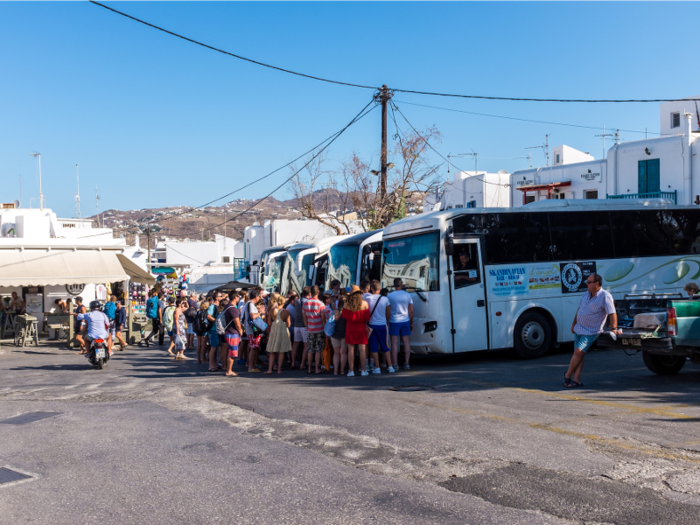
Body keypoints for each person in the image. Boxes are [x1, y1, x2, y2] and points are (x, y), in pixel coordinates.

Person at [565, 273, 620, 388]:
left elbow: (612, 313)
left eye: (589, 282)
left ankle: (568, 374)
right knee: (580, 355)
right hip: (579, 328)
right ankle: (577, 380)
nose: (586, 283)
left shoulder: (605, 296)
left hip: (591, 331)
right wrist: (574, 323)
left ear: (597, 284)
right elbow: (580, 309)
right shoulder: (586, 294)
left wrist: (614, 328)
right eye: (587, 281)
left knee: (578, 352)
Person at [342, 285, 371, 376]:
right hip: (361, 328)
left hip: (350, 328)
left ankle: (351, 371)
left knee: (351, 350)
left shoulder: (346, 303)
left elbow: (344, 316)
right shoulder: (364, 303)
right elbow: (367, 317)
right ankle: (363, 370)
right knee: (362, 350)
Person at [366, 280, 394, 374]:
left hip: (371, 325)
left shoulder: (368, 299)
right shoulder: (385, 299)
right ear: (380, 289)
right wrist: (385, 320)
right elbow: (388, 313)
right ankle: (390, 366)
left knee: (373, 347)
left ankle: (377, 368)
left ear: (371, 289)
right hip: (382, 325)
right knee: (385, 345)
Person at [387, 278, 413, 371]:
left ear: (394, 285)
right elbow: (411, 311)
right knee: (406, 342)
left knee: (394, 343)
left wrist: (387, 321)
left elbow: (388, 311)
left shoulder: (389, 296)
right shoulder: (407, 295)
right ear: (401, 285)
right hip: (405, 321)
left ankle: (395, 364)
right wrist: (411, 322)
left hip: (394, 321)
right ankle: (407, 363)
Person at [302, 285, 327, 374]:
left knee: (310, 349)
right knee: (318, 350)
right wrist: (325, 329)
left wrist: (307, 326)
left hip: (310, 329)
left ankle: (309, 368)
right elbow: (323, 318)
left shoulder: (305, 303)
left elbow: (304, 317)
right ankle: (317, 368)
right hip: (319, 329)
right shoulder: (321, 304)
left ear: (310, 293)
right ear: (318, 292)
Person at [265, 295, 292, 374]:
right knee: (281, 351)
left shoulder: (271, 311)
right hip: (283, 331)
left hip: (274, 331)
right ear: (283, 302)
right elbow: (288, 325)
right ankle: (279, 369)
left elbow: (269, 323)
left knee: (272, 351)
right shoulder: (286, 312)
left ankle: (270, 369)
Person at [223, 292, 243, 377]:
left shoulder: (227, 306)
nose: (239, 298)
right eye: (238, 296)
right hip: (233, 333)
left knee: (230, 352)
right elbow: (237, 323)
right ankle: (229, 371)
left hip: (228, 332)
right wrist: (240, 331)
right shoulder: (233, 308)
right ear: (235, 297)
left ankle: (229, 369)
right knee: (232, 353)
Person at [245, 290, 264, 373]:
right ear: (256, 297)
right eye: (259, 296)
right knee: (253, 348)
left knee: (253, 347)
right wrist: (259, 312)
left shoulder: (248, 303)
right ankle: (251, 367)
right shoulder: (251, 304)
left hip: (250, 329)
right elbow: (253, 316)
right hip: (253, 329)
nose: (260, 298)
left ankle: (251, 365)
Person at [293, 287, 310, 369]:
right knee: (306, 345)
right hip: (304, 326)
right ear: (309, 294)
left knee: (295, 344)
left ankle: (293, 362)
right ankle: (302, 364)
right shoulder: (307, 302)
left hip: (296, 325)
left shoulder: (296, 301)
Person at [331, 296, 348, 375]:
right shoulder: (347, 312)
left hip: (335, 334)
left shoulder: (335, 311)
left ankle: (335, 370)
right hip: (344, 334)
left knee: (336, 353)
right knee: (343, 353)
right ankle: (342, 370)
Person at [207, 293, 222, 372]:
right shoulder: (212, 306)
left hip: (216, 329)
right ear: (216, 298)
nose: (222, 297)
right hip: (213, 329)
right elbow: (208, 316)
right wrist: (216, 321)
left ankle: (215, 363)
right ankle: (211, 365)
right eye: (220, 296)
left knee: (216, 347)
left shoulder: (217, 306)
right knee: (213, 347)